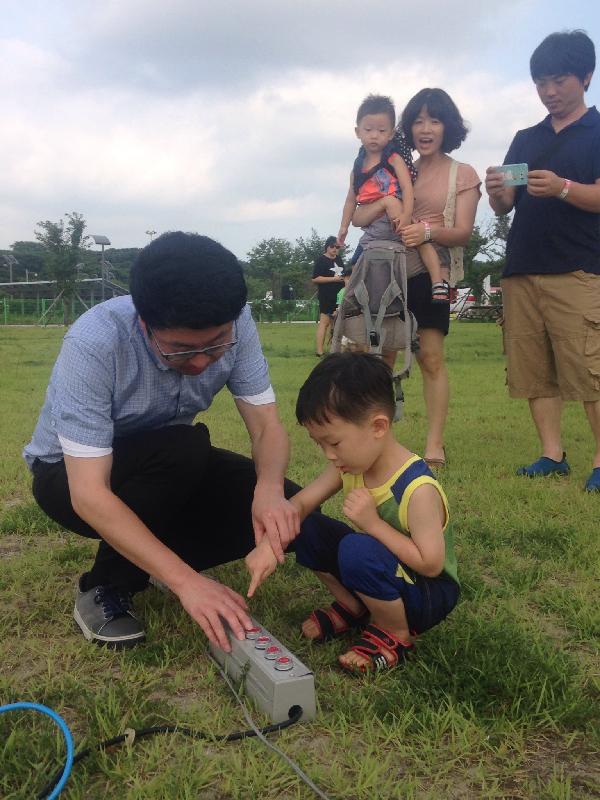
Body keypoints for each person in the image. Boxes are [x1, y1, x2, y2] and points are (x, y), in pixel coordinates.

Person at [23, 232, 301, 652]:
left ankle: (153, 556)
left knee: (288, 510)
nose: (202, 361)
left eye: (216, 345)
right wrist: (188, 583)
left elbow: (266, 427)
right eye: (181, 350)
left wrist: (270, 490)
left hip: (166, 466)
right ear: (144, 323)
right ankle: (105, 585)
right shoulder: (95, 343)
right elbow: (88, 494)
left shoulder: (236, 320)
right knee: (184, 448)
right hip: (66, 477)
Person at [245, 352, 459, 673]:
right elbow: (299, 505)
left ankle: (396, 633)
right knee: (306, 525)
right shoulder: (350, 465)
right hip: (389, 570)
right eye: (320, 445)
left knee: (357, 549)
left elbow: (431, 564)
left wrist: (372, 523)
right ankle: (354, 607)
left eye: (334, 443)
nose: (329, 455)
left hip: (427, 593)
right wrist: (267, 546)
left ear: (378, 426)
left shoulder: (417, 489)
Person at [485, 30, 600, 491]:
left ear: (586, 77)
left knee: (590, 369)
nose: (549, 91)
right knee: (534, 370)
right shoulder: (525, 139)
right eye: (540, 83)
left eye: (559, 80)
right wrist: (497, 193)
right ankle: (552, 454)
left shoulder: (597, 133)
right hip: (522, 267)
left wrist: (564, 188)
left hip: (578, 267)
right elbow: (504, 206)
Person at [397, 88, 481, 468]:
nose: (425, 129)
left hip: (434, 275)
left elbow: (463, 232)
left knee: (430, 357)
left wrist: (426, 232)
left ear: (448, 126)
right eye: (418, 121)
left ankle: (434, 444)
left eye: (434, 120)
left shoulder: (462, 173)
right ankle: (374, 440)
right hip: (393, 270)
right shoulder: (401, 168)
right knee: (380, 357)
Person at [337, 94, 448, 303]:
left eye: (381, 131)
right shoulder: (357, 167)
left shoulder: (394, 159)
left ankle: (437, 283)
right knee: (359, 258)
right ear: (358, 132)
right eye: (368, 130)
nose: (374, 136)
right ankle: (356, 300)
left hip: (396, 213)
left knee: (422, 243)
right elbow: (351, 199)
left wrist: (406, 215)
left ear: (391, 134)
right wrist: (343, 227)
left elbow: (407, 189)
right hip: (373, 223)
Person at [312, 236, 345, 356]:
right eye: (332, 246)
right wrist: (333, 279)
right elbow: (315, 278)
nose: (335, 249)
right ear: (327, 247)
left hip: (340, 296)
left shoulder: (339, 259)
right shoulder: (321, 260)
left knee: (336, 324)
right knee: (324, 322)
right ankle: (319, 351)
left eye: (337, 247)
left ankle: (334, 350)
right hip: (326, 296)